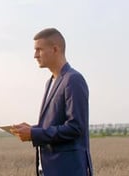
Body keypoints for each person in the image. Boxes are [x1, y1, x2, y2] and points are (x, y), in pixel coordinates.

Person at [11, 28, 93, 176]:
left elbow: (75, 127)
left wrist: (34, 134)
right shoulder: (50, 82)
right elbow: (54, 125)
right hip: (49, 170)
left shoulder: (73, 80)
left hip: (68, 170)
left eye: (39, 49)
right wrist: (32, 129)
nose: (35, 55)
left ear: (55, 49)